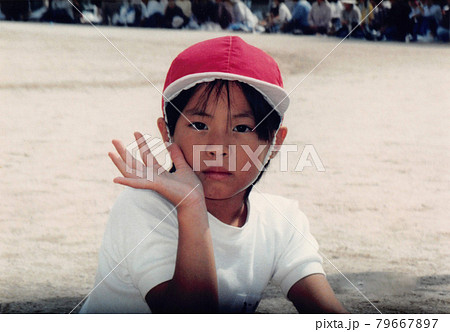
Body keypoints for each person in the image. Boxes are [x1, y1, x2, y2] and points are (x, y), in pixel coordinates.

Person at [79, 36, 348, 314]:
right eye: (199, 124)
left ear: (275, 142)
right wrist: (192, 207)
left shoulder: (281, 221)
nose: (218, 147)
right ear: (167, 133)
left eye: (242, 128)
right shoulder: (142, 207)